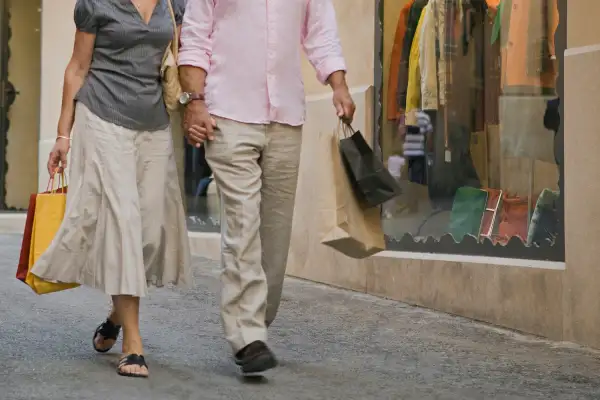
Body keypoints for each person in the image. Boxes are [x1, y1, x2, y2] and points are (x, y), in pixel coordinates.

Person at [178, 0, 356, 375]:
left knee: (275, 232)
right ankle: (246, 335)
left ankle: (258, 318)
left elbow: (320, 30)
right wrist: (194, 102)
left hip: (286, 116)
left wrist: (338, 83)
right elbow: (195, 37)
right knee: (242, 226)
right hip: (227, 112)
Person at [30, 0, 192, 379]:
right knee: (123, 223)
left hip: (153, 122)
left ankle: (116, 315)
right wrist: (62, 135)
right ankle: (133, 344)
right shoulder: (96, 2)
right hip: (101, 117)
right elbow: (77, 68)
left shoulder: (174, 3)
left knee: (150, 233)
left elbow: (183, 59)